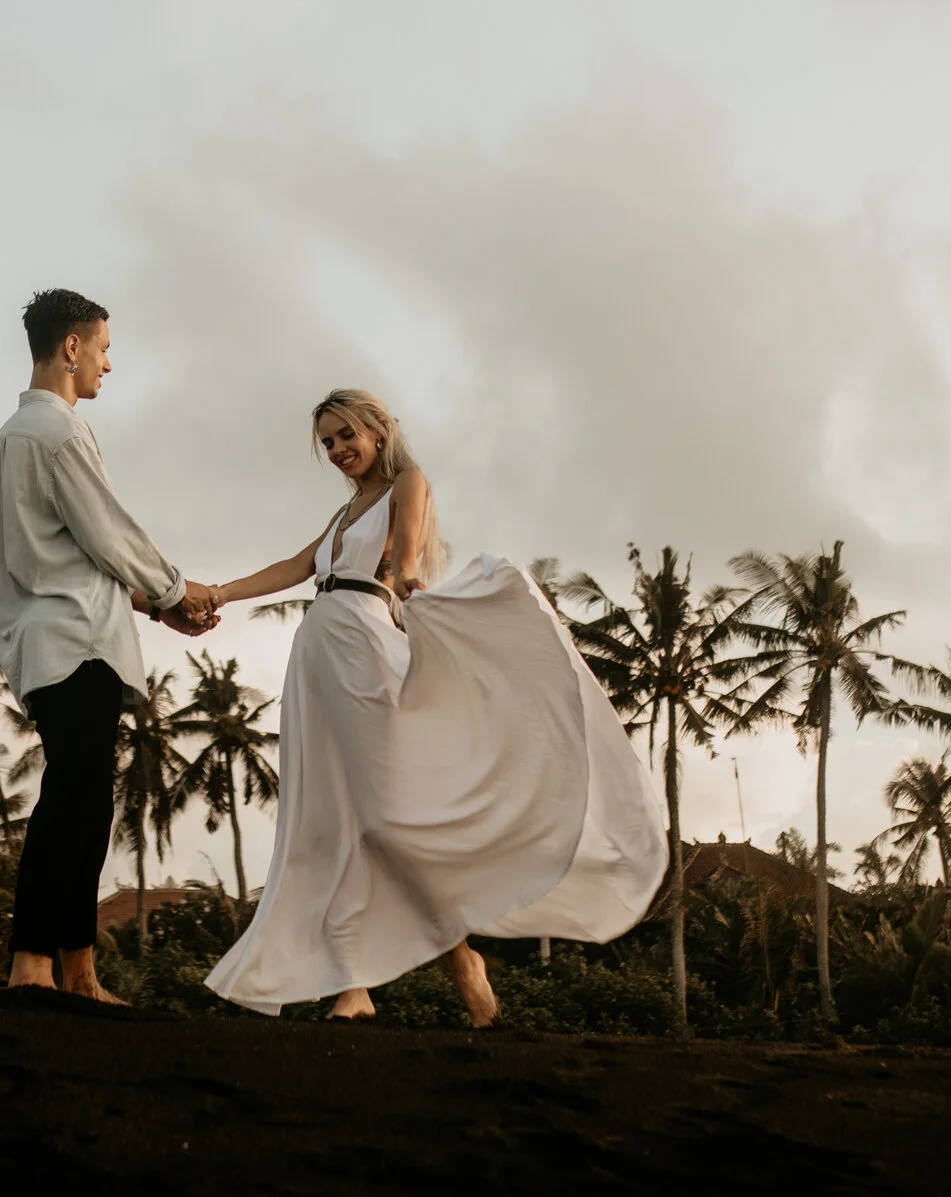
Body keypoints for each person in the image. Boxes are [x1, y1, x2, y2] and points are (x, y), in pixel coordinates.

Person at [199, 389, 666, 1025]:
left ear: (379, 429)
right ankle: (353, 988)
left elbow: (407, 553)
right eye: (328, 442)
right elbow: (297, 565)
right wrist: (221, 592)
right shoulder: (345, 513)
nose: (338, 449)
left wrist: (410, 578)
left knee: (387, 820)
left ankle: (461, 960)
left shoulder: (405, 482)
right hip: (317, 658)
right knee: (328, 821)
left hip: (364, 642)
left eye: (346, 435)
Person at [0, 288, 217, 1005]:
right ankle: (35, 965)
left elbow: (74, 549)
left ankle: (75, 969)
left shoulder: (15, 436)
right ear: (73, 346)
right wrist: (178, 589)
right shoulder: (55, 433)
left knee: (83, 799)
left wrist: (153, 606)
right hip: (74, 640)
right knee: (73, 799)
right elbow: (110, 533)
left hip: (56, 635)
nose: (110, 365)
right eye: (106, 348)